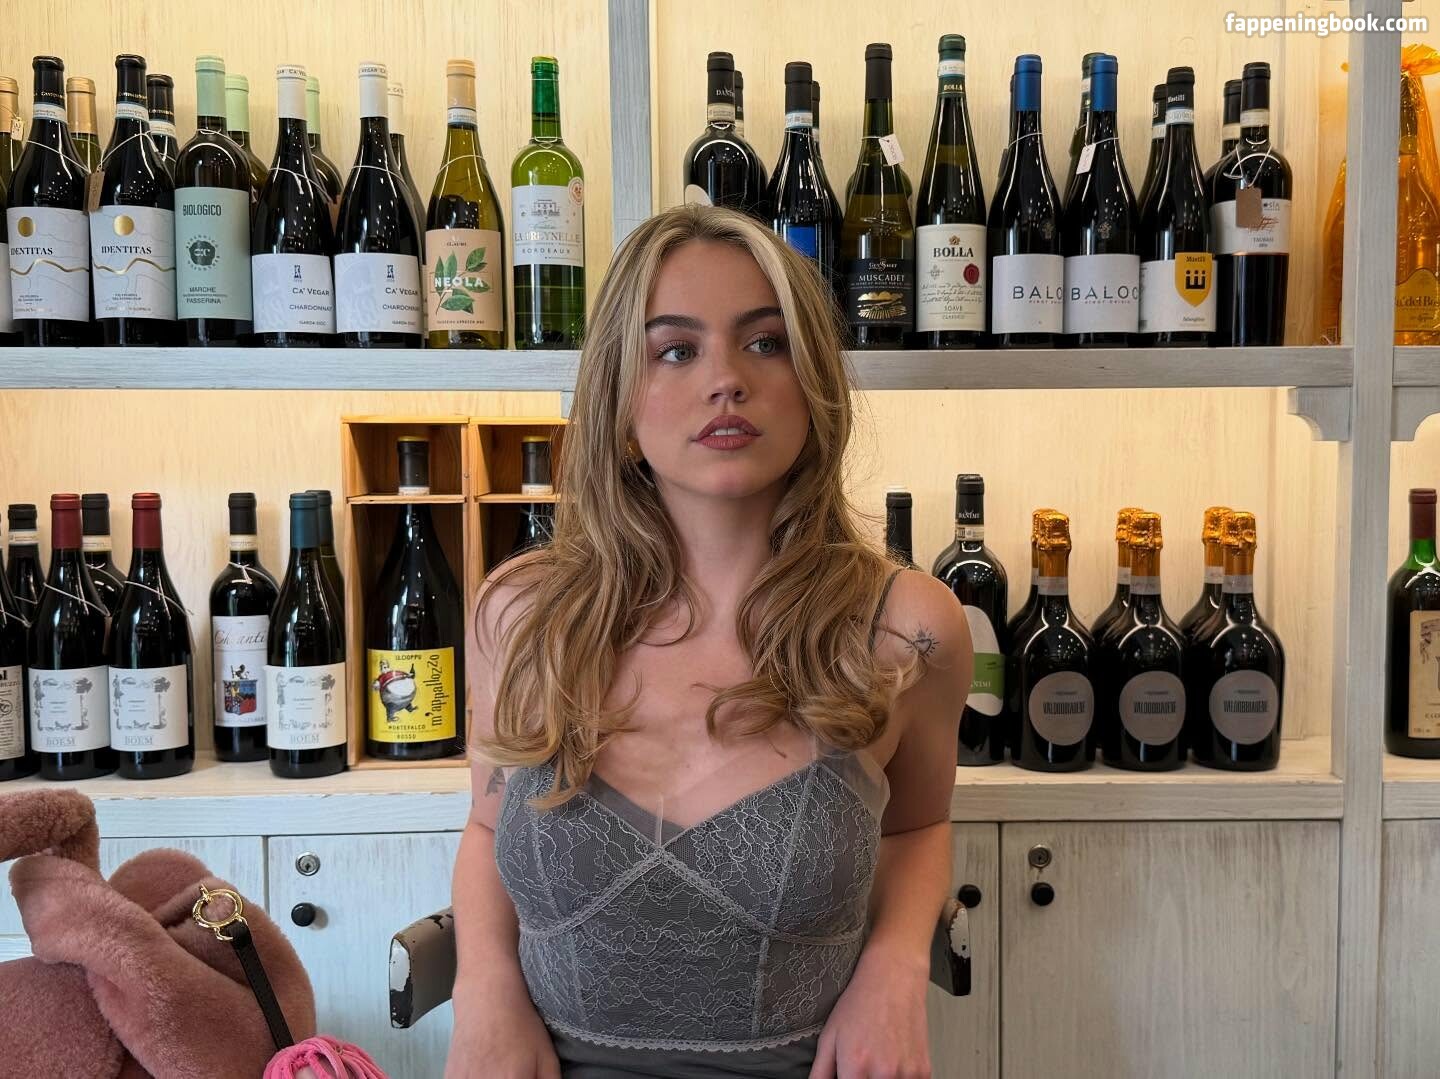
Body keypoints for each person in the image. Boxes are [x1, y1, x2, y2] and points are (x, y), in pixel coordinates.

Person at [447, 204, 971, 1079]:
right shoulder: (521, 615)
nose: (726, 379)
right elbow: (486, 822)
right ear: (618, 400)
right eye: (676, 350)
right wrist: (484, 986)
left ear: (815, 383)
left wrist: (895, 962)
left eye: (766, 342)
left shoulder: (907, 629)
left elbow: (918, 826)